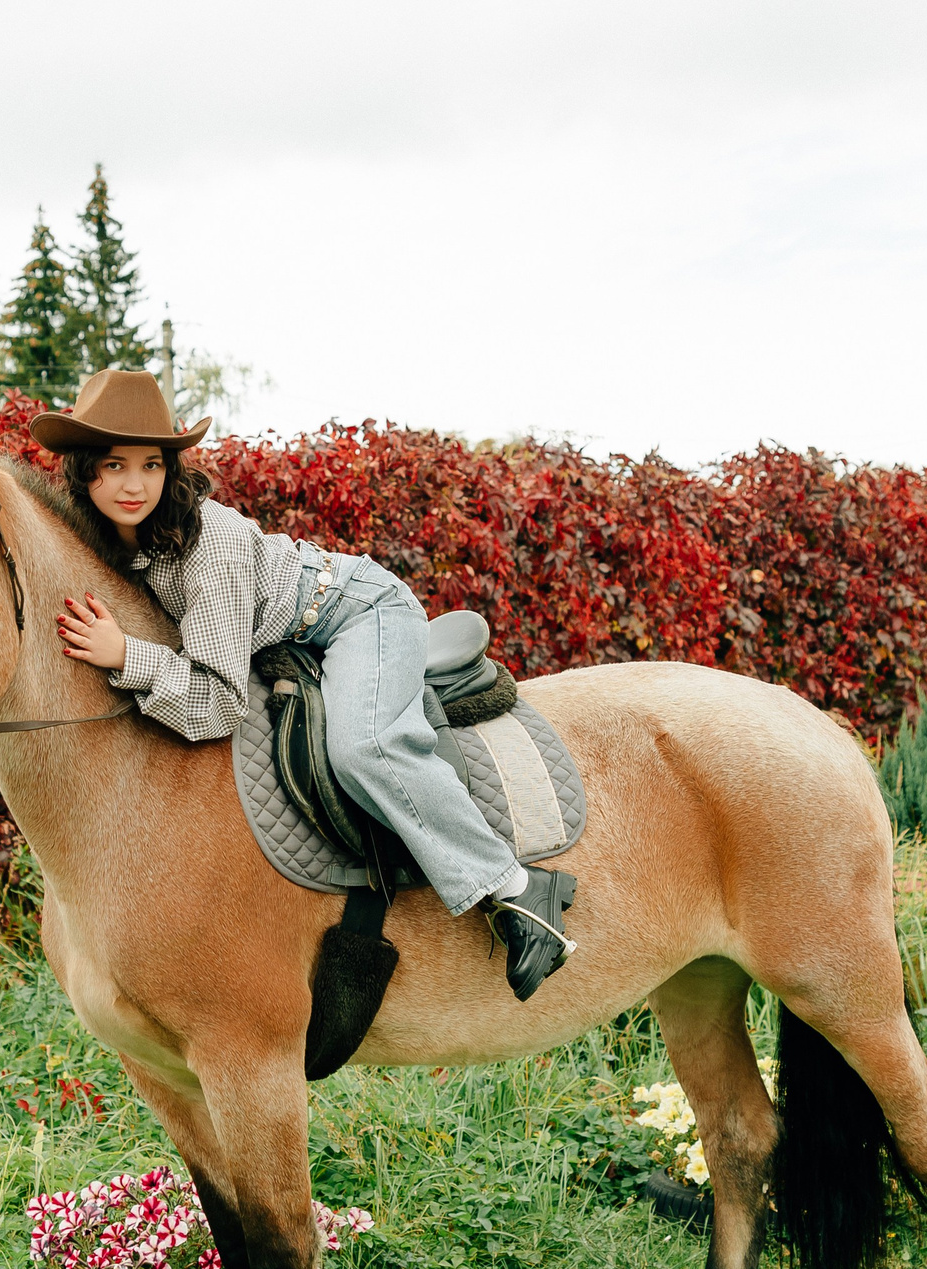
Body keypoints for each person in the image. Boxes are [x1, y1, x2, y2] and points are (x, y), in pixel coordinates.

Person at [36, 368, 575, 1000]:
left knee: (365, 747)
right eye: (114, 466)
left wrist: (128, 654)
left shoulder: (210, 544)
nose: (135, 484)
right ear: (84, 471)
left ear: (169, 469)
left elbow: (218, 703)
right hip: (292, 634)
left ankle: (518, 889)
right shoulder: (104, 540)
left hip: (358, 612)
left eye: (151, 465)